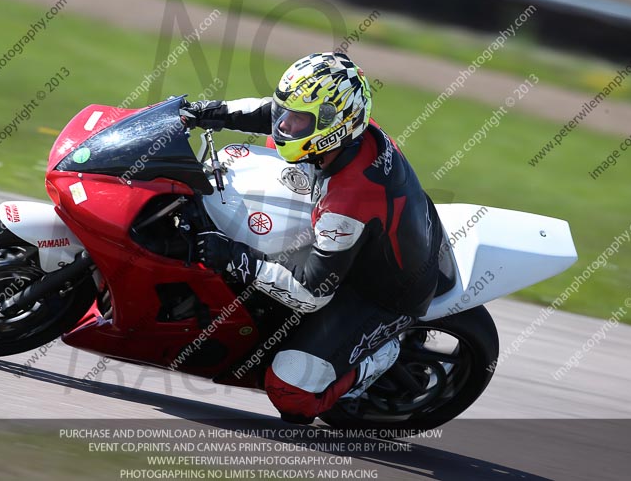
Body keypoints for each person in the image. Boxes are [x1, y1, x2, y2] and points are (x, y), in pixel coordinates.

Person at [180, 52, 443, 424]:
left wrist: (236, 257)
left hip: (381, 293)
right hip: (374, 238)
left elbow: (311, 292)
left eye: (299, 120)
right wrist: (209, 111)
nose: (286, 125)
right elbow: (271, 113)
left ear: (333, 124)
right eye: (289, 114)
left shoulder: (348, 200)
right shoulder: (347, 133)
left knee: (291, 393)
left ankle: (382, 357)